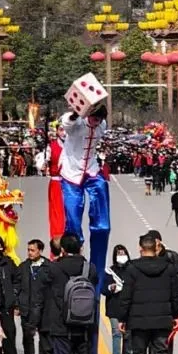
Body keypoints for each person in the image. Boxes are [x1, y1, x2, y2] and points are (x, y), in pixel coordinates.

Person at [32, 233, 99, 354]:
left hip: (61, 325)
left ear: (62, 249)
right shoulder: (89, 268)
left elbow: (40, 290)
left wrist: (35, 321)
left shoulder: (53, 268)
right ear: (80, 248)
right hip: (84, 323)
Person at [119, 233, 178, 354]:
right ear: (156, 248)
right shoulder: (168, 268)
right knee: (162, 353)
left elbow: (126, 295)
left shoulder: (132, 268)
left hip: (139, 319)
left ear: (141, 248)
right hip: (162, 318)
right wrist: (174, 315)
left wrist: (122, 318)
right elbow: (175, 294)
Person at [59, 106, 112, 291]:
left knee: (102, 224)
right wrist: (77, 112)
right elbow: (66, 122)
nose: (96, 123)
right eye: (94, 119)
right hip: (71, 173)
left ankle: (97, 272)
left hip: (91, 170)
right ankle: (74, 260)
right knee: (73, 219)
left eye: (99, 120)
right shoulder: (77, 123)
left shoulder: (101, 126)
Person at [18, 239, 48, 354]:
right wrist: (17, 304)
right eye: (28, 250)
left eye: (32, 250)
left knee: (44, 336)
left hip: (43, 307)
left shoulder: (48, 267)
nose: (30, 253)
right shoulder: (23, 267)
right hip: (27, 307)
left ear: (40, 251)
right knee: (27, 336)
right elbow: (17, 285)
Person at [104, 244, 132, 354]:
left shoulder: (132, 270)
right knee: (116, 333)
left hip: (129, 306)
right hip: (114, 306)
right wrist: (112, 287)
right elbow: (103, 289)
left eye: (123, 253)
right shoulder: (110, 271)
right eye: (119, 254)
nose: (122, 256)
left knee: (128, 333)